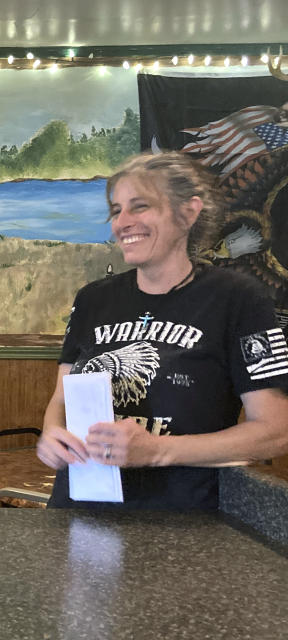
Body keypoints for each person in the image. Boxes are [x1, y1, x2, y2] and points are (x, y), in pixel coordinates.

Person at [36, 151, 288, 509]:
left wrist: (157, 451)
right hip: (79, 511)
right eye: (115, 210)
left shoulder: (240, 300)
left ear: (188, 212)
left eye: (139, 207)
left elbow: (276, 432)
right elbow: (60, 401)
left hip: (182, 526)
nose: (122, 221)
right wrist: (51, 435)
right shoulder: (93, 299)